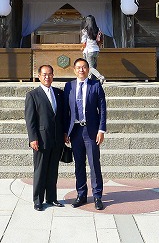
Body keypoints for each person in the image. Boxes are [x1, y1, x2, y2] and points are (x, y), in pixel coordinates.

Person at [24, 64, 69, 211]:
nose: (47, 77)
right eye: (44, 74)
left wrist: (64, 133)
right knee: (40, 170)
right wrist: (32, 138)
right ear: (39, 76)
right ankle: (38, 200)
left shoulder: (59, 93)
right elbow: (30, 120)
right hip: (41, 139)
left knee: (53, 170)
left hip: (56, 138)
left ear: (53, 76)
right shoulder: (32, 95)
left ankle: (51, 197)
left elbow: (62, 116)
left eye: (49, 74)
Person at [64, 57, 107, 210]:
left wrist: (101, 130)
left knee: (94, 164)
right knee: (79, 165)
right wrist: (65, 131)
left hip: (91, 131)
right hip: (75, 131)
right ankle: (81, 194)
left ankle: (97, 196)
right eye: (78, 67)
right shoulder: (69, 86)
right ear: (74, 70)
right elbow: (65, 111)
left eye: (84, 67)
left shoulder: (95, 85)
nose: (81, 70)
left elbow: (102, 109)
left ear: (88, 70)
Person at [80, 15, 106, 84]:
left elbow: (83, 41)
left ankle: (100, 77)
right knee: (94, 66)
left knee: (90, 67)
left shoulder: (85, 30)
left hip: (89, 51)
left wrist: (82, 47)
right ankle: (90, 80)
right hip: (96, 50)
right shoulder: (98, 29)